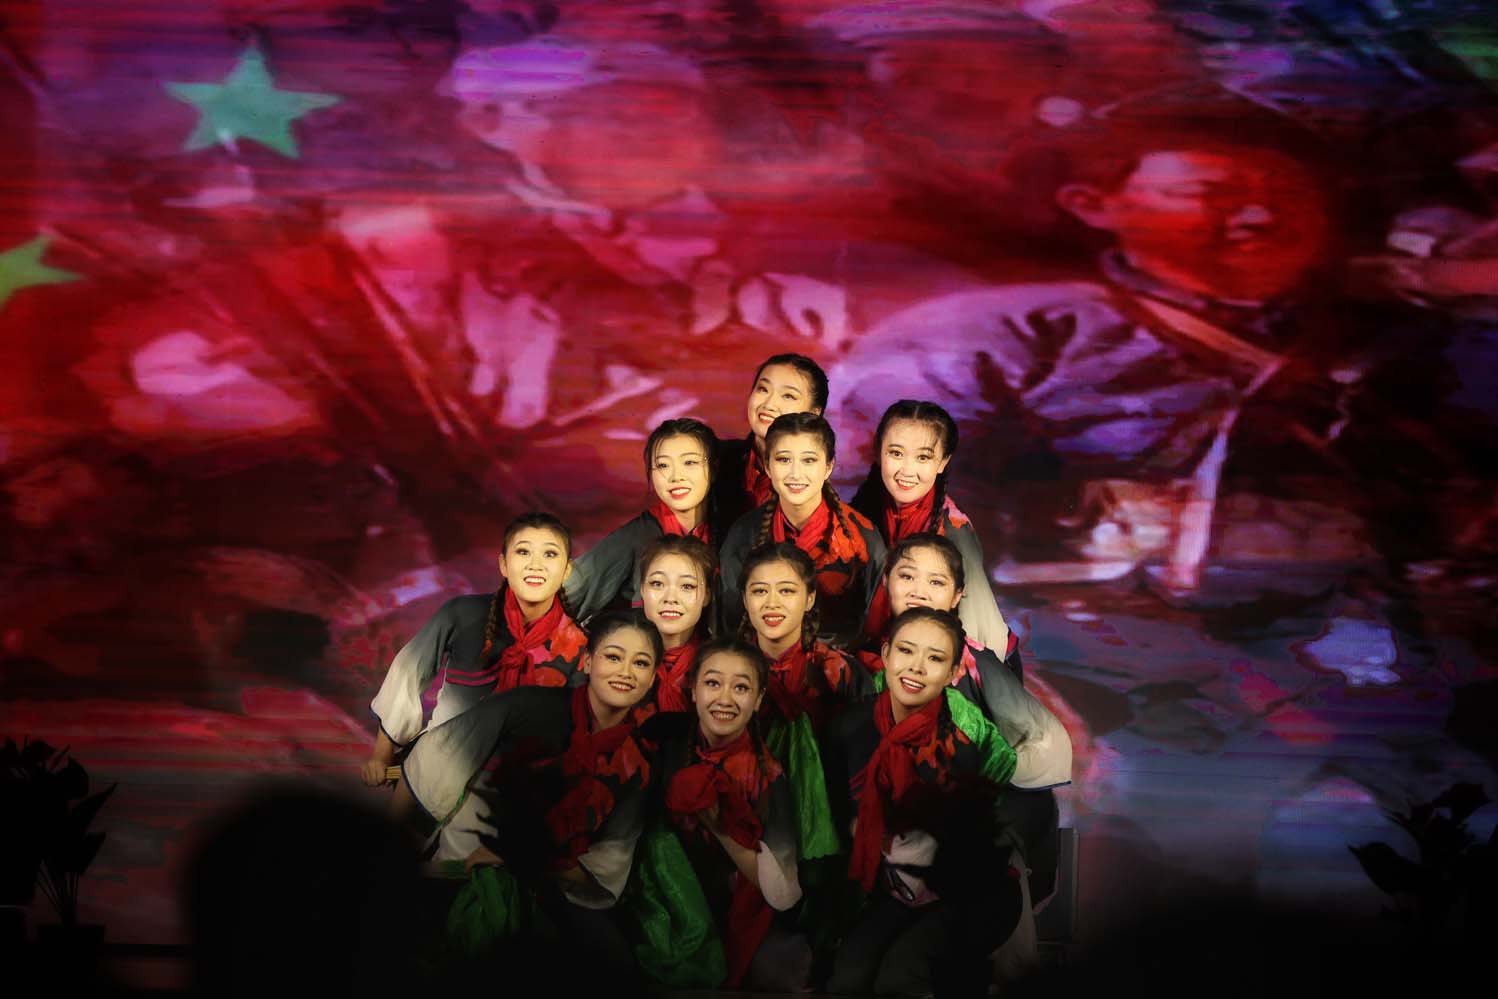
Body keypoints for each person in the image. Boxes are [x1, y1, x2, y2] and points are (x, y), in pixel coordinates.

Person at [392, 610, 662, 988]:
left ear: (653, 678)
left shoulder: (637, 764)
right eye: (613, 657)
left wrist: (522, 858)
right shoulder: (525, 708)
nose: (626, 672)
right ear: (588, 661)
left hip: (550, 886)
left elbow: (601, 871)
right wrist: (390, 864)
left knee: (613, 964)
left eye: (641, 663)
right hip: (468, 869)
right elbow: (428, 764)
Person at [822, 607, 1021, 997]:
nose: (916, 667)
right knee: (847, 981)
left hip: (970, 892)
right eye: (906, 651)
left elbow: (975, 855)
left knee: (900, 978)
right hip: (900, 891)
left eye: (935, 658)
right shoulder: (848, 728)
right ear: (886, 654)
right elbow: (838, 816)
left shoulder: (962, 744)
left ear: (953, 673)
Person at [629, 637, 807, 990]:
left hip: (735, 905)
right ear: (693, 691)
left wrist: (719, 825)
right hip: (666, 898)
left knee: (783, 970)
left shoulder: (767, 774)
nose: (725, 699)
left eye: (741, 688)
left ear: (758, 700)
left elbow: (781, 892)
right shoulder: (663, 742)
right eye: (712, 683)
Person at [361, 511, 584, 785]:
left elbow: (580, 726)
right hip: (438, 768)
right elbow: (408, 672)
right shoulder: (462, 613)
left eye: (549, 554)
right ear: (503, 564)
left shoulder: (580, 646)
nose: (535, 565)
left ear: (567, 570)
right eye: (523, 552)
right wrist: (381, 757)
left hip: (518, 786)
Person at [850, 399, 1011, 653]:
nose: (907, 470)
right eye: (896, 453)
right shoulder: (865, 509)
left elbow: (981, 636)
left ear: (943, 462)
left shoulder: (954, 531)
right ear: (879, 453)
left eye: (923, 457)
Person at [720, 413, 886, 646]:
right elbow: (731, 622)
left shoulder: (862, 537)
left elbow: (875, 628)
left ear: (828, 467)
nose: (795, 474)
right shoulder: (744, 534)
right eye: (783, 460)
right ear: (767, 466)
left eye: (809, 460)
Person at [564, 419, 717, 626]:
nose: (676, 477)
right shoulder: (633, 539)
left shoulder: (730, 531)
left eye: (689, 462)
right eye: (662, 465)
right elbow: (567, 593)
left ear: (714, 467)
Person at [713, 353, 831, 532]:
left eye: (788, 396)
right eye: (763, 389)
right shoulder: (714, 459)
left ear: (814, 413)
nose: (769, 404)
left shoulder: (812, 482)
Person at [637, 534, 718, 713]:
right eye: (657, 583)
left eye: (687, 586)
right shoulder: (618, 659)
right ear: (642, 589)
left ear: (707, 595)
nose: (670, 598)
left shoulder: (720, 665)